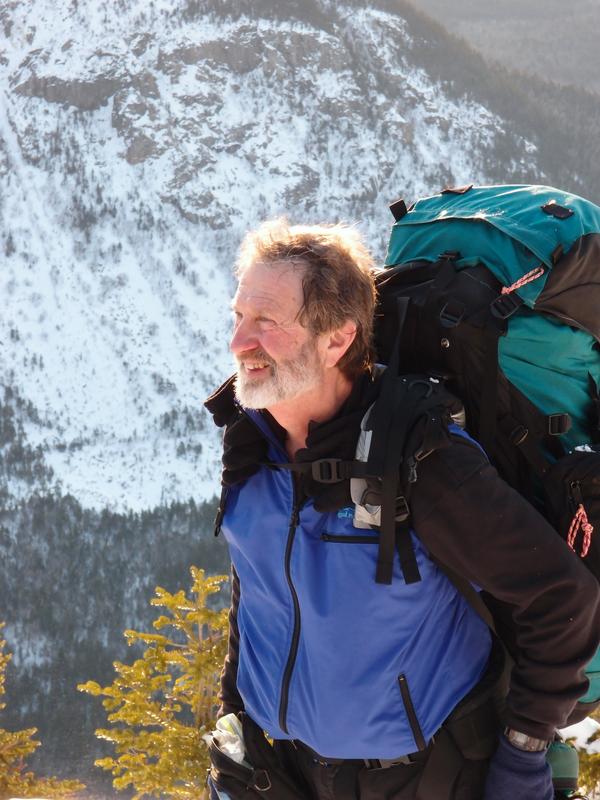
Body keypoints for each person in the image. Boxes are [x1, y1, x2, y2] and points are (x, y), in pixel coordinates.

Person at [204, 219, 600, 800]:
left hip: (423, 778)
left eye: (267, 322)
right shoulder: (251, 445)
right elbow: (259, 587)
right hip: (280, 771)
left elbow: (563, 598)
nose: (240, 342)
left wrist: (523, 753)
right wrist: (235, 720)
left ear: (337, 339)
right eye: (239, 317)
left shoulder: (419, 458)